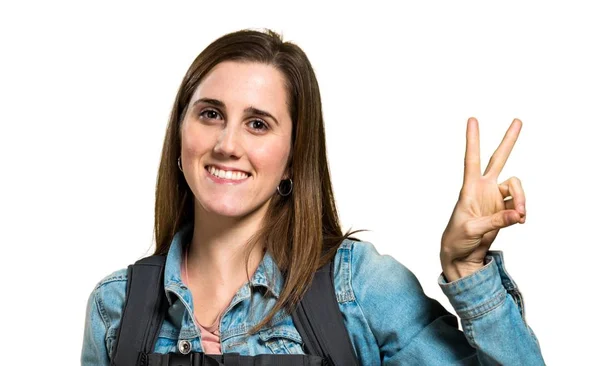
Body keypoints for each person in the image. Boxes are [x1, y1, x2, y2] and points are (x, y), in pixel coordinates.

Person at [81, 28, 545, 365]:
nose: (227, 143)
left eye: (258, 123)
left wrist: (468, 271)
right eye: (210, 114)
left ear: (292, 156)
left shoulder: (356, 289)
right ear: (180, 137)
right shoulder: (116, 308)